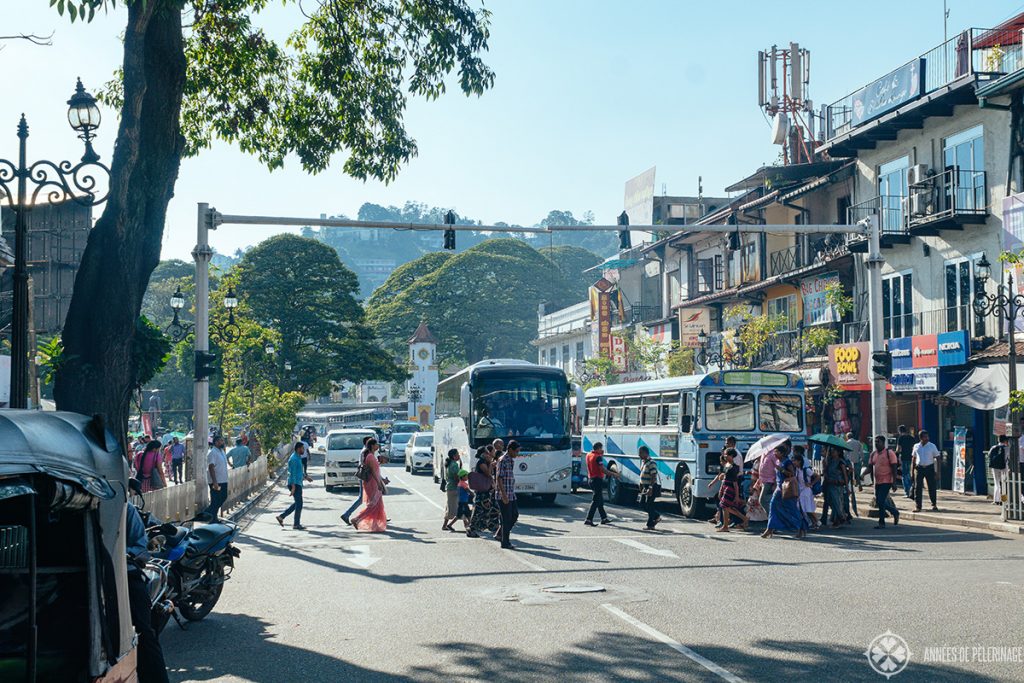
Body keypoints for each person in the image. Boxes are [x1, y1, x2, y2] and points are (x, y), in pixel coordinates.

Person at [125, 503, 170, 683]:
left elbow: (140, 547)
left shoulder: (124, 508)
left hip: (124, 575)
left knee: (144, 634)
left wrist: (124, 555)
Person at [762, 445, 807, 539]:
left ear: (782, 453)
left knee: (792, 509)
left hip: (788, 489)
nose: (774, 453)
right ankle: (770, 528)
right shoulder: (779, 461)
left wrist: (781, 469)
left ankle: (801, 528)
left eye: (776, 452)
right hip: (779, 489)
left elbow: (792, 474)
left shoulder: (787, 462)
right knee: (773, 506)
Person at [351, 441, 388, 532]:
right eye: (376, 444)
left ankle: (374, 525)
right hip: (372, 483)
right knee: (373, 505)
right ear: (372, 445)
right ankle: (357, 519)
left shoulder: (371, 455)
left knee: (378, 505)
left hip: (374, 482)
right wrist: (379, 483)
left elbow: (375, 469)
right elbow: (374, 472)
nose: (378, 446)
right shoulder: (370, 457)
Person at [277, 442, 313, 529]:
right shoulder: (293, 459)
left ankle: (281, 516)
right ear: (298, 449)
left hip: (298, 483)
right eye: (302, 449)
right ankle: (296, 524)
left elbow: (298, 471)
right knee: (299, 504)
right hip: (294, 484)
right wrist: (293, 487)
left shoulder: (298, 457)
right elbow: (291, 473)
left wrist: (306, 477)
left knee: (297, 503)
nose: (303, 450)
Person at [867, 435, 900, 529]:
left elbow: (894, 468)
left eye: (878, 442)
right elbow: (870, 467)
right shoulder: (873, 454)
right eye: (875, 442)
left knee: (881, 500)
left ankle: (881, 522)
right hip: (878, 481)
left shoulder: (889, 453)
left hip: (887, 481)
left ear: (883, 443)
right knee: (879, 501)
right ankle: (894, 512)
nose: (876, 443)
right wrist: (862, 475)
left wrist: (894, 482)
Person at [710, 448, 747, 532]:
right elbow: (723, 478)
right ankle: (744, 519)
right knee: (727, 507)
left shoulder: (734, 468)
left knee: (724, 506)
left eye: (726, 454)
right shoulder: (726, 465)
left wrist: (737, 496)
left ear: (731, 456)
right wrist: (720, 489)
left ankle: (725, 526)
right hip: (725, 487)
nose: (725, 456)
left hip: (730, 488)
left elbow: (735, 483)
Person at [584, 442, 620, 526]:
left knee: (600, 499)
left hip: (591, 478)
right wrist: (614, 474)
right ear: (598, 448)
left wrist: (601, 455)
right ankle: (589, 519)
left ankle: (604, 518)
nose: (602, 450)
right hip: (597, 479)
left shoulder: (589, 455)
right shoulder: (598, 457)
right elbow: (602, 469)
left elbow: (595, 464)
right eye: (601, 448)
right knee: (596, 500)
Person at [341, 436, 374, 526]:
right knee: (364, 499)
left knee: (371, 499)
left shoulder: (367, 452)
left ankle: (375, 516)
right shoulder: (365, 452)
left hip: (366, 477)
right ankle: (347, 514)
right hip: (365, 477)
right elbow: (368, 466)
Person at [469, 448, 500, 536]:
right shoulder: (481, 462)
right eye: (487, 453)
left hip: (486, 490)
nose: (489, 454)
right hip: (481, 491)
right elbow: (488, 473)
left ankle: (481, 527)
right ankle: (472, 528)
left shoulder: (485, 462)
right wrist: (491, 465)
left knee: (485, 510)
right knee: (478, 510)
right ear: (483, 454)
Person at [496, 440, 520, 549]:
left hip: (511, 493)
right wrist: (503, 495)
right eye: (516, 451)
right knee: (506, 518)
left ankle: (501, 534)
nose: (517, 454)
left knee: (514, 515)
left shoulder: (511, 460)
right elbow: (499, 478)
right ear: (510, 450)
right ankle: (505, 542)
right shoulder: (503, 460)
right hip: (504, 494)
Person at [912, 430, 940, 513]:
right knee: (917, 488)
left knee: (932, 487)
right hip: (919, 468)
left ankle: (934, 504)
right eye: (925, 437)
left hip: (929, 467)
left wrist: (938, 472)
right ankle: (918, 506)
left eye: (927, 437)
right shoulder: (916, 446)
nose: (927, 438)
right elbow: (913, 459)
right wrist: (912, 472)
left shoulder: (932, 446)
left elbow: (938, 458)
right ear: (920, 438)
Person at [822, 446, 847, 528]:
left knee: (837, 502)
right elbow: (826, 471)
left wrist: (847, 486)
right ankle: (836, 520)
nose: (832, 453)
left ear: (838, 453)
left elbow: (845, 475)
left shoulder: (841, 462)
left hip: (837, 484)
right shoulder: (830, 461)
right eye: (831, 451)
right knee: (832, 502)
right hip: (830, 484)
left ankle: (840, 519)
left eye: (834, 451)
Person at [637, 445, 662, 530]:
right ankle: (656, 516)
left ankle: (650, 524)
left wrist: (650, 488)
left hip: (651, 487)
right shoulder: (644, 462)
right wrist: (641, 485)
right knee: (643, 504)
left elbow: (653, 476)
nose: (639, 455)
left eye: (640, 453)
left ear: (645, 453)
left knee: (649, 504)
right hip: (645, 486)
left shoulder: (652, 462)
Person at [793, 452, 819, 530]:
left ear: (799, 461)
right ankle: (812, 523)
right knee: (802, 508)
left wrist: (811, 483)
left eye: (795, 461)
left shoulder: (806, 470)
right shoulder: (796, 470)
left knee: (808, 508)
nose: (794, 462)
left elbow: (817, 476)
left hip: (807, 491)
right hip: (801, 491)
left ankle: (816, 522)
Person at [205, 434, 229, 519]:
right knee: (216, 500)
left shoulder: (222, 451)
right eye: (220, 441)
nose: (222, 442)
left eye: (222, 440)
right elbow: (211, 467)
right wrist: (215, 482)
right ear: (215, 442)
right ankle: (212, 517)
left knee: (223, 497)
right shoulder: (212, 452)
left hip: (223, 480)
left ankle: (208, 513)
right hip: (216, 481)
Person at [757, 442, 781, 518]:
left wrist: (775, 483)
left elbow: (777, 468)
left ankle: (772, 518)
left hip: (770, 481)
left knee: (762, 500)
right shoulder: (764, 453)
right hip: (763, 481)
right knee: (767, 500)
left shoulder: (773, 454)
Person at [442, 448, 464, 532]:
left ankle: (445, 525)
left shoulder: (451, 463)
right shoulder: (454, 465)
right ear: (454, 456)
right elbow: (456, 477)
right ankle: (467, 525)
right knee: (457, 507)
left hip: (450, 488)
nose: (459, 455)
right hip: (453, 488)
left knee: (450, 507)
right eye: (457, 454)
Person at [896, 425, 916, 498]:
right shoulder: (911, 438)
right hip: (911, 458)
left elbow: (898, 449)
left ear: (899, 431)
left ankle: (907, 492)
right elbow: (914, 448)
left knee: (904, 475)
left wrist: (896, 455)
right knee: (910, 474)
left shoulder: (901, 438)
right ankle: (912, 491)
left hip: (904, 458)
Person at [989, 434, 1009, 506]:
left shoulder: (993, 447)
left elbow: (989, 455)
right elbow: (1008, 457)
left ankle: (996, 500)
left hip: (995, 467)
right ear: (1005, 440)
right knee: (1004, 484)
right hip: (1004, 467)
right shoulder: (1007, 448)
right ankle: (1003, 500)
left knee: (997, 483)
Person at [456, 469, 475, 536]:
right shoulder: (463, 484)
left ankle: (470, 524)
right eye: (466, 476)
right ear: (462, 477)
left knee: (464, 514)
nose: (467, 477)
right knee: (465, 514)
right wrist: (473, 494)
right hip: (463, 501)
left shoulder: (460, 483)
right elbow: (468, 491)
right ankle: (471, 525)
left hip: (462, 501)